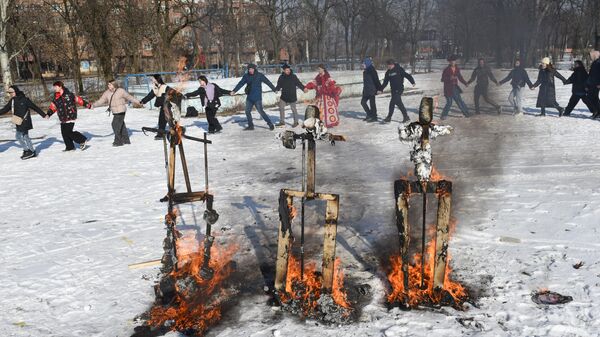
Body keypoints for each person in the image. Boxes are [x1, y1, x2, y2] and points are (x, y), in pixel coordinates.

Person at [0, 85, 46, 159]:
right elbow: (5, 109)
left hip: (25, 121)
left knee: (18, 136)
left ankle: (27, 150)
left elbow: (35, 107)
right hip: (18, 121)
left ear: (16, 91)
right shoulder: (12, 100)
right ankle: (31, 151)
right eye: (9, 93)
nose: (11, 94)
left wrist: (43, 115)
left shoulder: (24, 99)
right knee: (25, 137)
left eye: (12, 92)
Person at [92, 79, 141, 146]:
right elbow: (101, 100)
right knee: (121, 125)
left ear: (114, 84)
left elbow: (129, 97)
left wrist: (138, 102)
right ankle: (126, 140)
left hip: (121, 111)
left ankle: (118, 141)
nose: (108, 85)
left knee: (115, 124)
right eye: (108, 84)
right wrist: (93, 105)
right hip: (115, 111)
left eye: (110, 84)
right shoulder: (107, 92)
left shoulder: (121, 91)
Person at [46, 81, 92, 151]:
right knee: (64, 133)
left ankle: (82, 140)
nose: (54, 88)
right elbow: (53, 107)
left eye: (56, 87)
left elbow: (79, 100)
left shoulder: (69, 95)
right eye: (54, 87)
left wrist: (88, 105)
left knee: (68, 132)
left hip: (70, 115)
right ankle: (70, 147)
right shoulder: (56, 97)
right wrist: (48, 114)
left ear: (60, 86)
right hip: (62, 117)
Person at [231, 64, 277, 130]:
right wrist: (234, 91)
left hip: (257, 98)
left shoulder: (259, 75)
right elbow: (240, 83)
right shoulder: (246, 76)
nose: (250, 70)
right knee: (247, 111)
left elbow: (268, 82)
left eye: (252, 69)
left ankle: (270, 124)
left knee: (261, 111)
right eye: (249, 69)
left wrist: (274, 89)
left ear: (254, 69)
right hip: (249, 97)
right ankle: (251, 126)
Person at [380, 59, 415, 123]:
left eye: (390, 65)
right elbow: (385, 82)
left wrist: (412, 82)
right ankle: (406, 117)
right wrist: (381, 89)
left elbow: (407, 75)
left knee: (392, 103)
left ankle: (389, 117)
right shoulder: (388, 72)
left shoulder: (399, 69)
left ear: (393, 64)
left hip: (399, 89)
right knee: (399, 104)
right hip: (393, 90)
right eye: (388, 65)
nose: (389, 66)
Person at [140, 74, 172, 139]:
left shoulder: (165, 87)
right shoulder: (155, 87)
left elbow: (172, 94)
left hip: (167, 106)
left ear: (157, 79)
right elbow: (150, 95)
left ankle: (161, 134)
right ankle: (162, 133)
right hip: (163, 106)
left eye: (153, 79)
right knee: (164, 120)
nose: (152, 80)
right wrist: (143, 101)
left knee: (164, 120)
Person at [440, 55, 470, 119]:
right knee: (449, 103)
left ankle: (466, 113)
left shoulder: (457, 69)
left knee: (459, 101)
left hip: (455, 87)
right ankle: (443, 115)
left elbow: (460, 77)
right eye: (451, 61)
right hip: (448, 88)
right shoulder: (446, 70)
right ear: (449, 62)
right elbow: (442, 79)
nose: (453, 62)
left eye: (454, 61)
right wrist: (449, 78)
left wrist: (465, 83)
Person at [361, 57, 383, 122]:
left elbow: (376, 80)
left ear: (367, 63)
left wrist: (380, 89)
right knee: (363, 102)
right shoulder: (365, 71)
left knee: (372, 104)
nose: (362, 65)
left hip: (372, 90)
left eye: (364, 64)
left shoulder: (372, 71)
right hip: (366, 90)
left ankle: (374, 117)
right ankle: (369, 114)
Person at [587, 50, 600, 119]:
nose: (590, 57)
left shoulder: (598, 63)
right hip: (592, 83)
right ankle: (596, 112)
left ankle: (597, 112)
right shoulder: (595, 62)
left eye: (591, 55)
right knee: (592, 98)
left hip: (596, 84)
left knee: (594, 98)